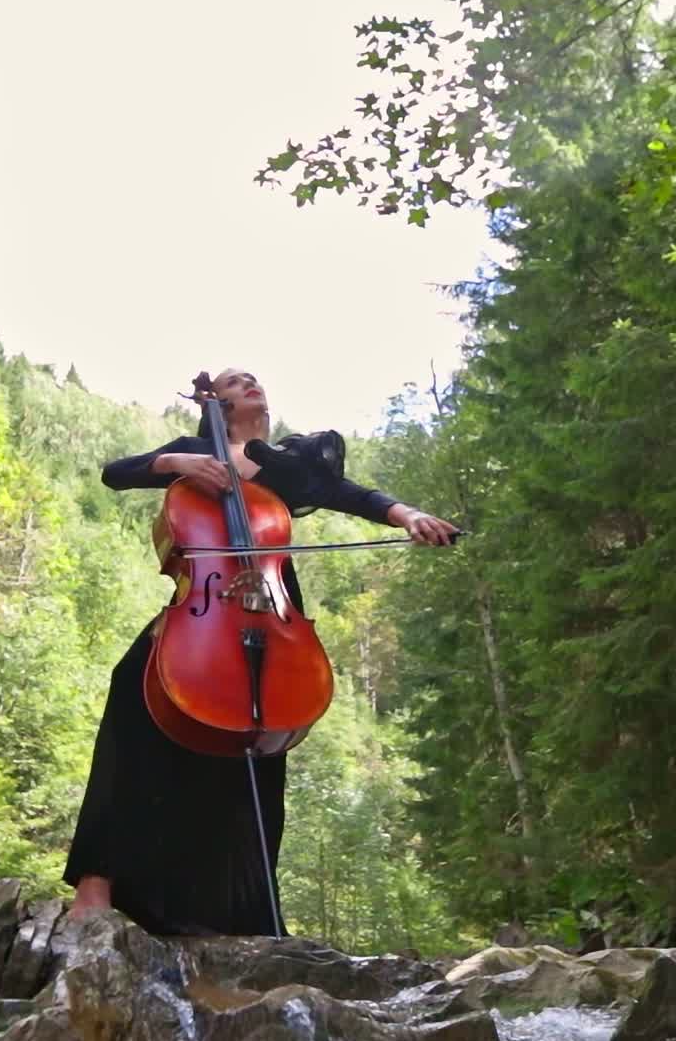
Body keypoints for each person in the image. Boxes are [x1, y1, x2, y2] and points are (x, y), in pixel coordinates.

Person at [62, 367, 457, 935]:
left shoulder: (283, 464)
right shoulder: (195, 450)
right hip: (203, 608)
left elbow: (356, 496)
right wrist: (176, 464)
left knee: (263, 743)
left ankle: (253, 914)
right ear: (214, 403)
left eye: (253, 378)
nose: (250, 383)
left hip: (272, 608)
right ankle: (96, 883)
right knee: (132, 691)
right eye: (234, 381)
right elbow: (113, 474)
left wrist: (409, 516)